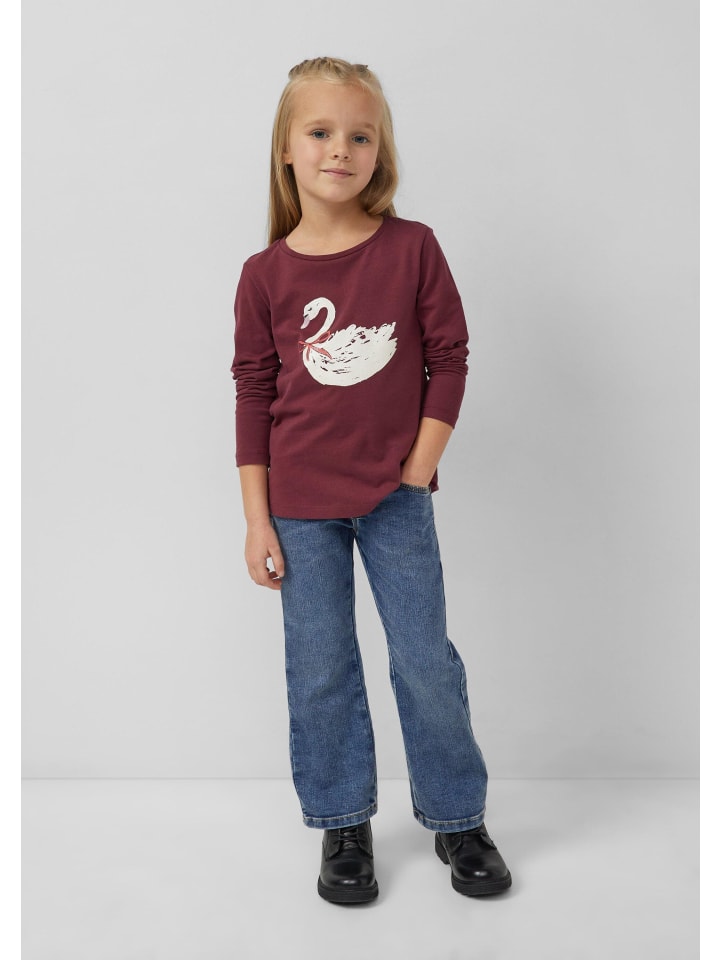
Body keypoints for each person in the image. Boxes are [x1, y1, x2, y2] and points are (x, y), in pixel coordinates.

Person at [231, 56, 512, 904]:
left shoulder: (410, 248)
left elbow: (448, 357)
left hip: (395, 501)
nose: (340, 150)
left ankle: (458, 817)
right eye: (320, 132)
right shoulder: (265, 274)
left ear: (379, 152)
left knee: (424, 659)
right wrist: (257, 519)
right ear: (285, 148)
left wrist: (419, 466)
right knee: (319, 667)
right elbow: (253, 393)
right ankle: (342, 822)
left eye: (361, 136)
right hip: (298, 508)